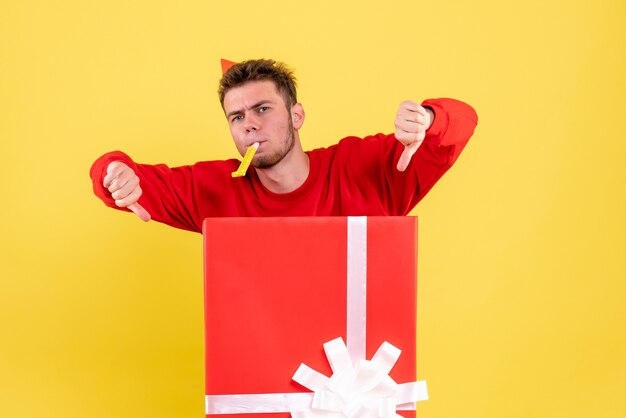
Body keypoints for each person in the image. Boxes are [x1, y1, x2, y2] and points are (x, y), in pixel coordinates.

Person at [90, 59, 478, 233]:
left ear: (296, 115)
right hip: (262, 379)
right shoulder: (215, 188)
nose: (250, 124)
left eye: (262, 108)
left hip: (360, 385)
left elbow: (461, 122)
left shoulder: (363, 167)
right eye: (237, 117)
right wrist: (114, 172)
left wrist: (429, 119)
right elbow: (123, 175)